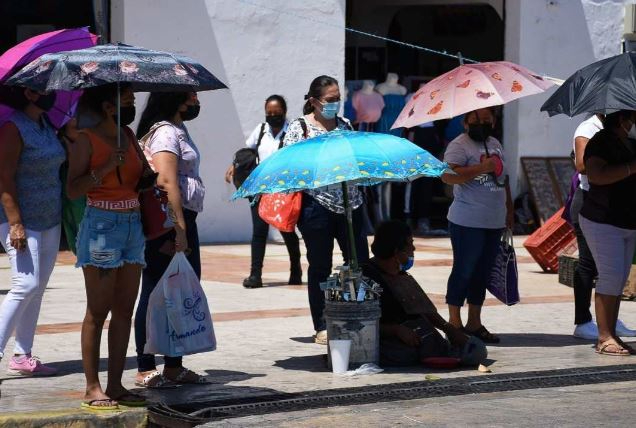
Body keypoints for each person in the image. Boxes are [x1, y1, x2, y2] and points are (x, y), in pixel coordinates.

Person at [67, 83, 146, 409]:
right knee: (98, 311)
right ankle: (92, 386)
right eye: (127, 100)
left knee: (124, 311)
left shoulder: (127, 135)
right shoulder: (86, 141)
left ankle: (115, 384)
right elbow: (72, 189)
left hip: (132, 225)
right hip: (101, 225)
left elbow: (139, 178)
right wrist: (103, 169)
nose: (132, 105)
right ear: (107, 106)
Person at [283, 75, 369, 345]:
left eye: (337, 100)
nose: (335, 105)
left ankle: (357, 314)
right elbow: (291, 164)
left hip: (351, 203)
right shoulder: (300, 128)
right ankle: (321, 324)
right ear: (314, 101)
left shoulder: (345, 125)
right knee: (320, 266)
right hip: (317, 205)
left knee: (358, 263)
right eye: (330, 100)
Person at [133, 91, 209, 388]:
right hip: (169, 221)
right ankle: (145, 366)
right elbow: (166, 182)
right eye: (191, 96)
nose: (195, 101)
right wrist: (178, 228)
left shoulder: (178, 129)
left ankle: (174, 366)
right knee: (155, 293)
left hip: (183, 218)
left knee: (179, 292)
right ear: (175, 99)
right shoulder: (165, 132)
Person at [0, 86, 64, 376]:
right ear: (29, 93)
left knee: (36, 290)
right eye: (46, 88)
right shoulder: (14, 128)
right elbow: (4, 176)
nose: (52, 92)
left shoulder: (47, 125)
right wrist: (15, 223)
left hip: (50, 217)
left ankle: (22, 355)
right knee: (24, 285)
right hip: (20, 221)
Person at [362, 221, 487, 367]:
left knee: (476, 350)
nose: (413, 248)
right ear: (396, 252)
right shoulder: (365, 278)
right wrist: (396, 330)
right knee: (406, 354)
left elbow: (422, 308)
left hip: (413, 335)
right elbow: (357, 324)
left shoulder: (400, 275)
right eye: (410, 244)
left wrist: (449, 329)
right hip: (380, 341)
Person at [441, 108, 513, 344]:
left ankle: (474, 322)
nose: (481, 123)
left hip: (493, 220)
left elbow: (504, 179)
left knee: (482, 273)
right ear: (465, 122)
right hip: (467, 220)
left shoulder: (495, 143)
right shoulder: (459, 145)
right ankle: (454, 323)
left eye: (486, 119)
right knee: (464, 270)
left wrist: (509, 209)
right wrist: (482, 168)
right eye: (476, 120)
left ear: (493, 121)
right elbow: (448, 176)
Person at [225, 95, 302, 288]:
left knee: (286, 230)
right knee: (259, 232)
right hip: (260, 189)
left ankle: (296, 270)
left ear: (284, 112)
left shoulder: (292, 131)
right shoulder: (261, 130)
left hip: (283, 190)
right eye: (269, 113)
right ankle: (255, 275)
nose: (273, 116)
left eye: (277, 113)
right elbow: (246, 152)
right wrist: (234, 166)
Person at [570, 114, 636, 340]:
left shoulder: (627, 141)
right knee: (598, 270)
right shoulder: (594, 134)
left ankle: (609, 324)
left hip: (625, 217)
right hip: (599, 212)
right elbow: (586, 168)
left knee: (617, 276)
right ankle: (594, 327)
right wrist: (629, 168)